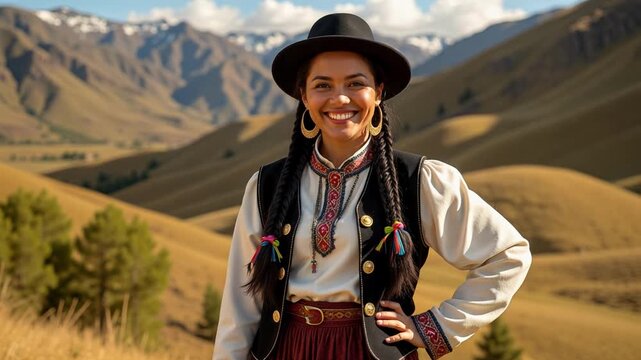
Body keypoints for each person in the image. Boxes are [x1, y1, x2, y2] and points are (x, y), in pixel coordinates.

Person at [213, 13, 531, 360]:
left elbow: (507, 255)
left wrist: (435, 327)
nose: (339, 99)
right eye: (323, 85)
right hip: (285, 350)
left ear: (378, 92)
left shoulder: (418, 180)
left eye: (355, 84)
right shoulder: (266, 186)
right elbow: (240, 306)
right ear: (303, 95)